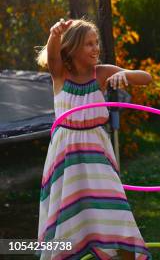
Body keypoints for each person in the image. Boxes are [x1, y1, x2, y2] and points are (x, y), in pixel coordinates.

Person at [36, 18, 152, 260]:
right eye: (89, 44)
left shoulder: (102, 73)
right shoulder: (60, 74)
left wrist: (126, 75)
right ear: (73, 47)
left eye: (96, 43)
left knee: (116, 214)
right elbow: (53, 53)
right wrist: (55, 33)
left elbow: (146, 78)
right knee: (68, 217)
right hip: (66, 159)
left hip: (97, 157)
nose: (96, 48)